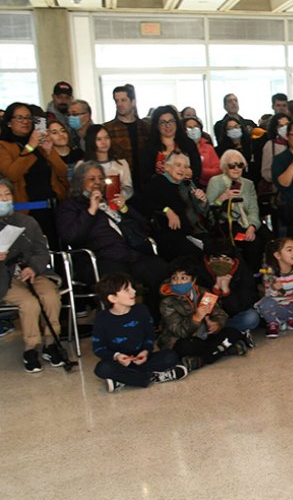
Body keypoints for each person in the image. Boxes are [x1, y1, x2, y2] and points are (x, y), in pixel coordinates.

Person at [56, 161, 168, 318]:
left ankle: (152, 321)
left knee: (159, 269)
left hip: (130, 253)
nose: (97, 183)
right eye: (92, 179)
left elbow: (144, 227)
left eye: (100, 179)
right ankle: (123, 325)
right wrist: (90, 211)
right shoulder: (71, 206)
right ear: (80, 182)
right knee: (118, 280)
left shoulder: (110, 201)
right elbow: (71, 237)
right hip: (100, 258)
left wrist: (125, 209)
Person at [0, 178, 67, 372]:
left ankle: (50, 343)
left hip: (32, 272)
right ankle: (31, 348)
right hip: (5, 277)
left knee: (51, 296)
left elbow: (41, 250)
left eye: (7, 195)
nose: (4, 199)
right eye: (0, 196)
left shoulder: (27, 221)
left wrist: (34, 268)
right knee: (30, 303)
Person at [92, 273, 187, 392]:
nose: (134, 292)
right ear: (113, 298)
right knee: (102, 369)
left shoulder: (141, 310)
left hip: (142, 359)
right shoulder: (102, 318)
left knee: (170, 356)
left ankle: (123, 380)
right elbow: (98, 348)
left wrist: (145, 351)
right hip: (120, 362)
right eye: (127, 290)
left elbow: (150, 335)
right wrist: (117, 356)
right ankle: (152, 377)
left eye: (132, 287)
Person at [0, 103, 70, 245]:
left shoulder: (40, 143)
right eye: (19, 118)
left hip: (54, 208)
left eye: (28, 118)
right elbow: (13, 174)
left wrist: (49, 151)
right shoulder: (4, 146)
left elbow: (62, 171)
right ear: (9, 122)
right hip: (27, 211)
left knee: (58, 252)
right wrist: (30, 147)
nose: (25, 122)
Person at [158, 257, 245, 370]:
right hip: (183, 340)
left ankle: (202, 358)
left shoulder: (203, 292)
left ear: (193, 280)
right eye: (174, 278)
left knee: (232, 332)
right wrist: (195, 318)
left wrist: (216, 324)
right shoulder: (167, 301)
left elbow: (220, 314)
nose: (178, 282)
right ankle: (223, 350)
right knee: (184, 347)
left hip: (205, 336)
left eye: (183, 278)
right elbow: (178, 331)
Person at [140, 151, 212, 260]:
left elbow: (202, 211)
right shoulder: (156, 183)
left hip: (194, 231)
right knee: (196, 256)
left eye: (186, 166)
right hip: (168, 234)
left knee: (216, 252)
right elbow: (144, 205)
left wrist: (202, 200)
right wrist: (166, 210)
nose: (182, 170)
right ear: (167, 167)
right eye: (178, 165)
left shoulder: (187, 184)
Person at [206, 149, 266, 269]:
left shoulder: (248, 184)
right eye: (232, 165)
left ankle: (264, 275)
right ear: (224, 167)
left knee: (269, 238)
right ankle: (251, 275)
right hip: (225, 223)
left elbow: (254, 208)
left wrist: (252, 226)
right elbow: (207, 209)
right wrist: (222, 198)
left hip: (247, 221)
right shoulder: (215, 182)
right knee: (253, 244)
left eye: (240, 165)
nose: (236, 168)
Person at [195, 240, 260, 339]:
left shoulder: (243, 272)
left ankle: (221, 333)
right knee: (199, 330)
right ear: (208, 260)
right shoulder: (200, 273)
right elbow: (201, 307)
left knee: (251, 317)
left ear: (233, 261)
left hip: (232, 317)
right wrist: (215, 289)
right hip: (208, 319)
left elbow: (242, 305)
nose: (221, 263)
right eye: (216, 259)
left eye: (226, 259)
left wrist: (226, 292)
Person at [103, 85, 151, 192]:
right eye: (117, 101)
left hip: (145, 182)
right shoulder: (108, 128)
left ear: (133, 102)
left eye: (123, 100)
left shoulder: (146, 127)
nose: (119, 104)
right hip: (120, 182)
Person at [141, 106, 202, 188]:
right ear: (156, 125)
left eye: (171, 121)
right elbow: (145, 176)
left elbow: (197, 169)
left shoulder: (188, 144)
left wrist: (189, 172)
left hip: (186, 190)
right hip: (159, 191)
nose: (168, 125)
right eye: (163, 122)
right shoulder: (149, 148)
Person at [83, 124, 134, 202]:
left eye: (107, 138)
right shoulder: (83, 165)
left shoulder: (121, 163)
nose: (104, 142)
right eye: (99, 139)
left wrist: (119, 196)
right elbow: (80, 190)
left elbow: (128, 188)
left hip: (117, 204)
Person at [183, 116, 220, 187]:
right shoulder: (181, 149)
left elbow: (217, 170)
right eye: (189, 127)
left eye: (196, 127)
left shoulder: (208, 147)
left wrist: (200, 171)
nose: (193, 130)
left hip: (208, 185)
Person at [47, 118, 83, 183]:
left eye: (63, 131)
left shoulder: (78, 153)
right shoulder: (48, 157)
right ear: (47, 136)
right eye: (54, 133)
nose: (61, 134)